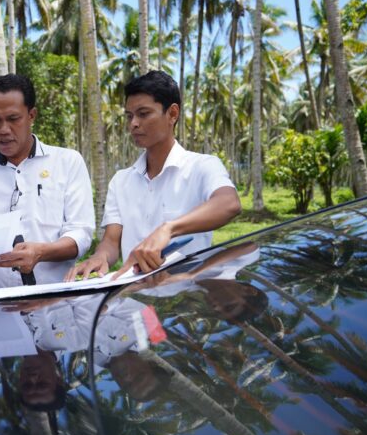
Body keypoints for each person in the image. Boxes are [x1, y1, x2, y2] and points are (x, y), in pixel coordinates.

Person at [66, 70, 241, 281]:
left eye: (144, 114)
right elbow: (112, 241)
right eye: (130, 116)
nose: (134, 124)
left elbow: (229, 204)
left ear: (172, 114)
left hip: (186, 301)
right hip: (134, 301)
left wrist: (169, 229)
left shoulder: (202, 167)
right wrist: (99, 257)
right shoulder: (121, 181)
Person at [0, 74, 95, 290]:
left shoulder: (67, 162)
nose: (3, 130)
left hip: (52, 301)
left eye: (13, 119)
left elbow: (81, 233)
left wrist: (40, 253)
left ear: (31, 115)